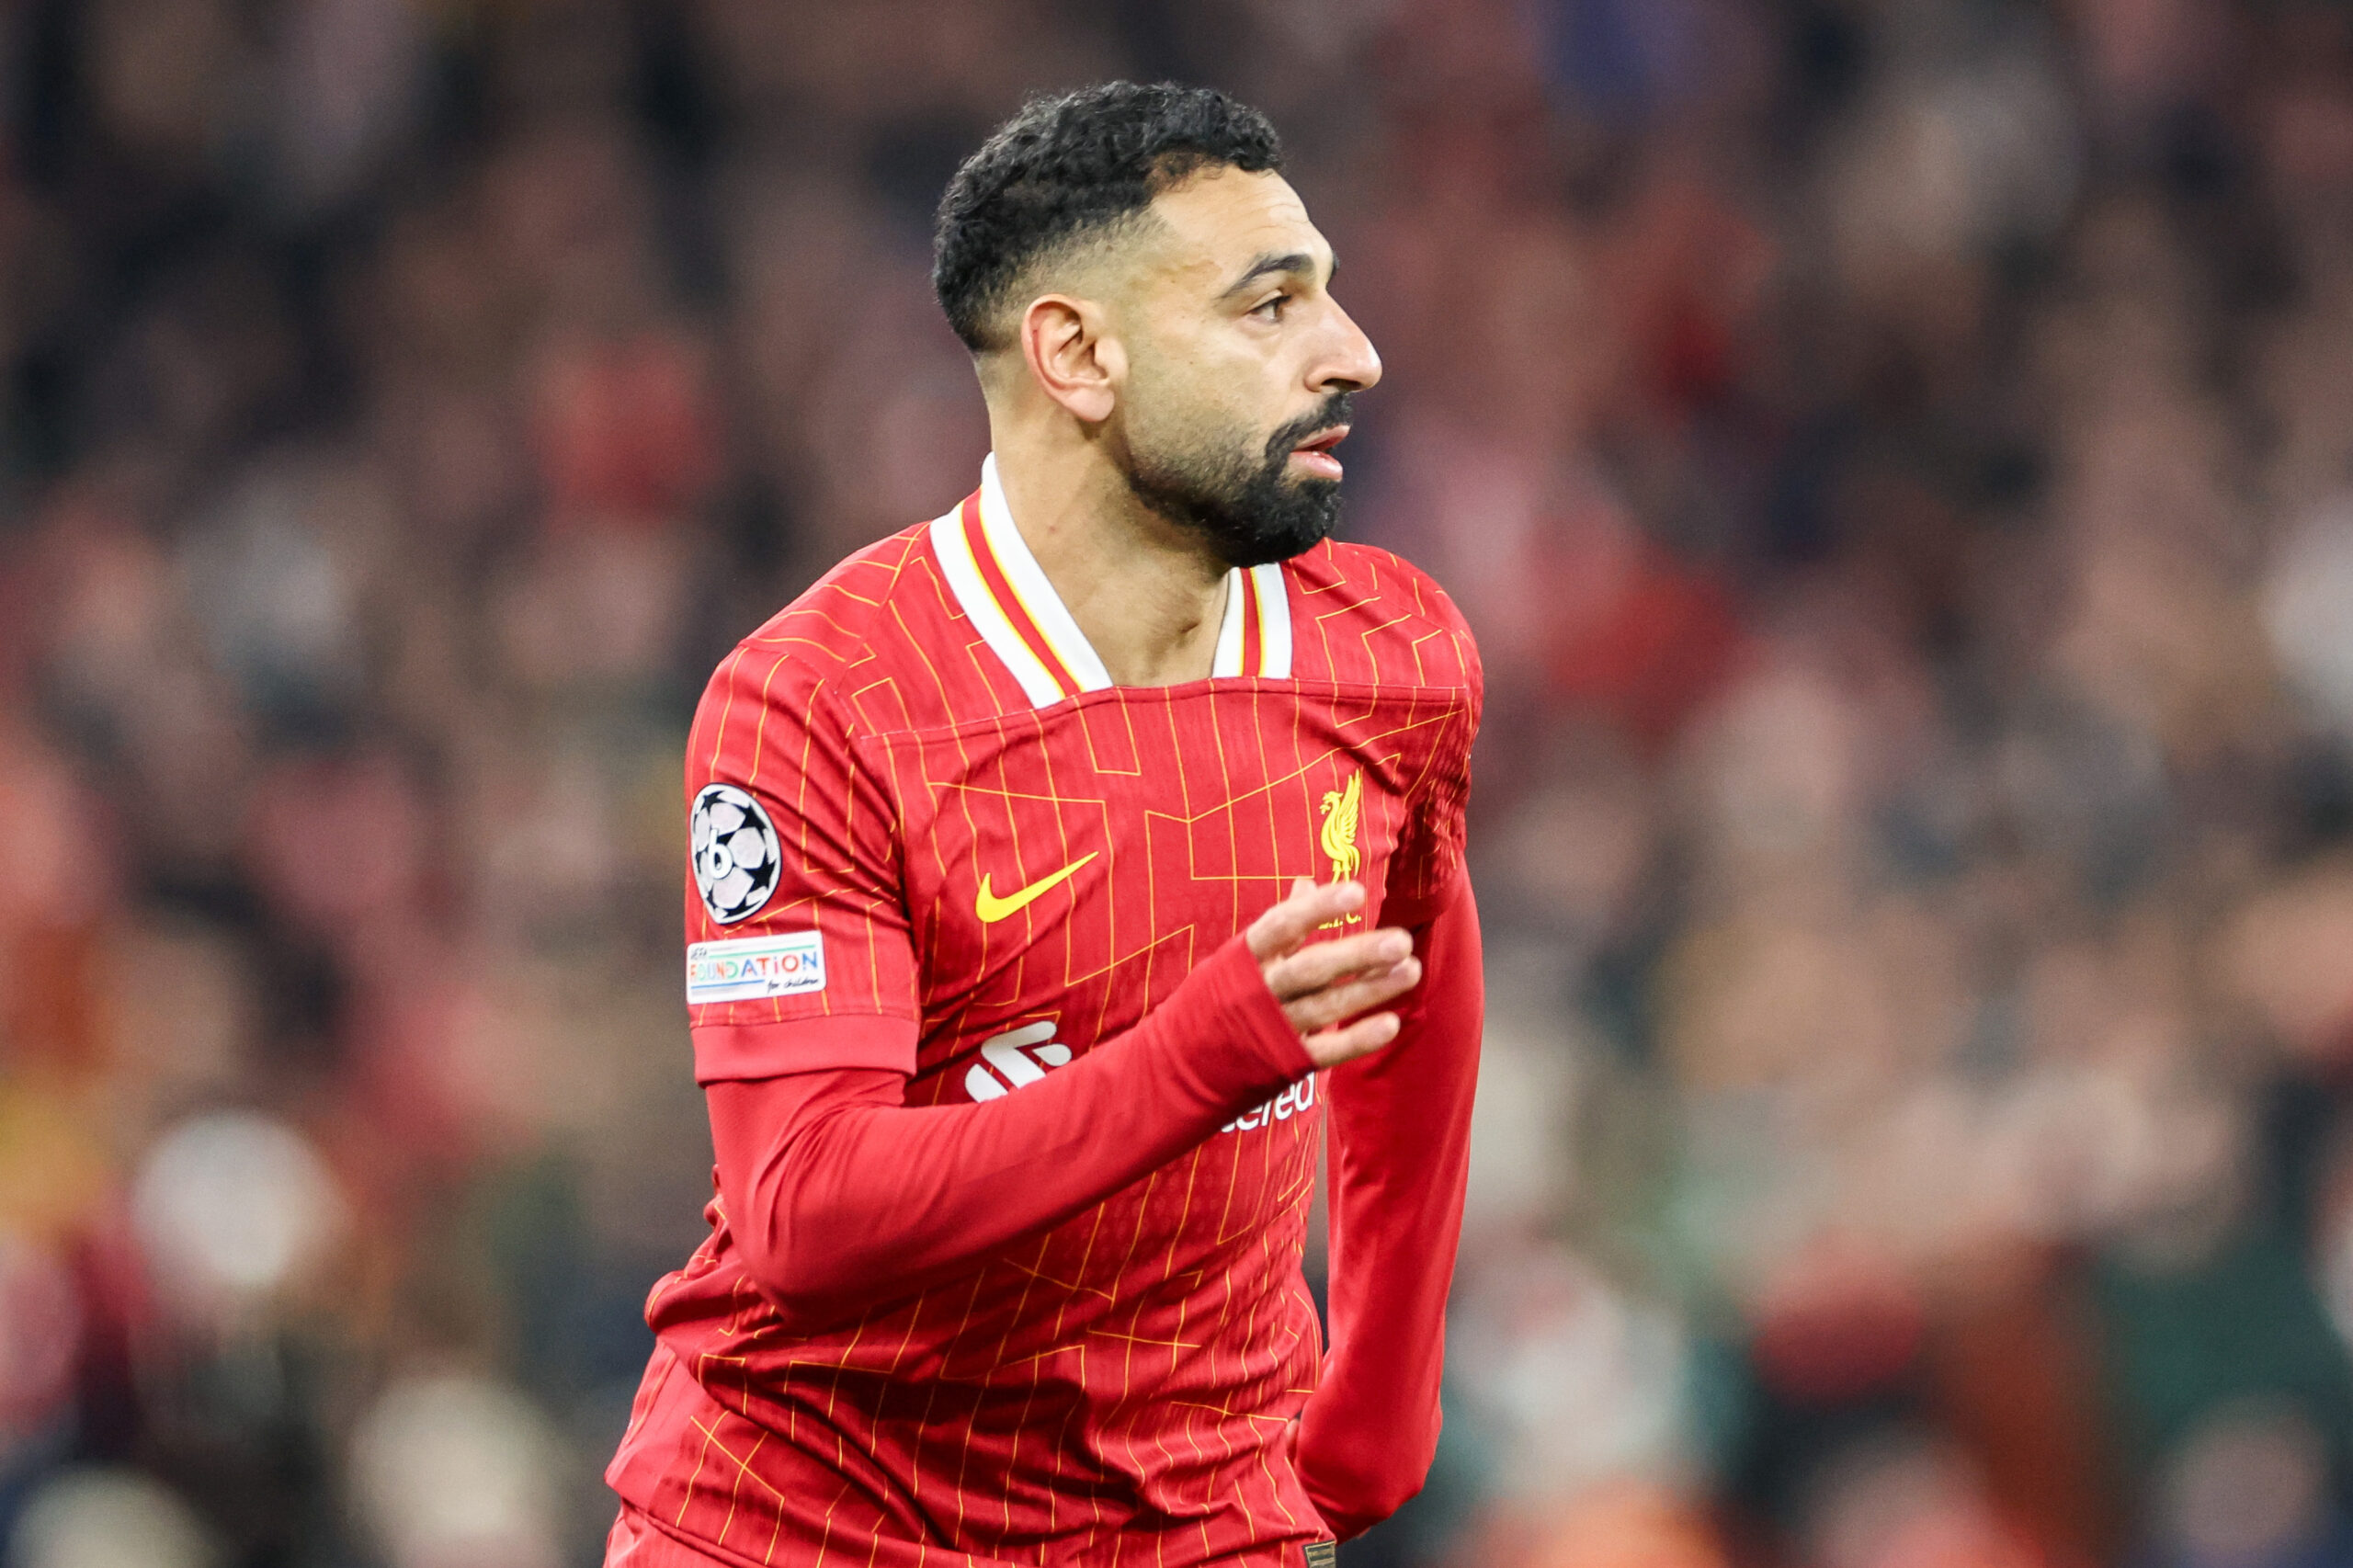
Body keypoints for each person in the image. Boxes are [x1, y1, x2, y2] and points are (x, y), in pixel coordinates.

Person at [604, 82, 1484, 1568]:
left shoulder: (1391, 652)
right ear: (1076, 353)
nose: (1354, 354)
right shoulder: (823, 701)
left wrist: (1387, 1373)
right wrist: (1201, 1053)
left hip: (1208, 1522)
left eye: (1328, 294)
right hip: (813, 1518)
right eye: (1272, 307)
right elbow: (802, 1208)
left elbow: (1413, 980)